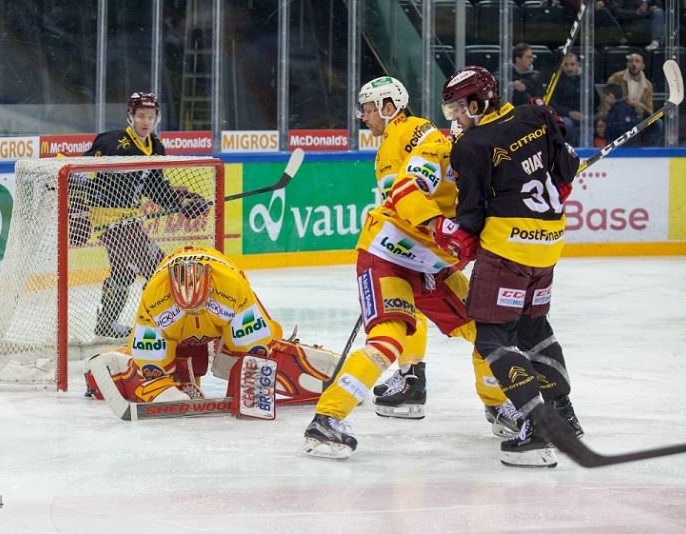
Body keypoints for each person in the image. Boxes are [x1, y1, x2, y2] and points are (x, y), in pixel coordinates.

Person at [296, 78, 522, 461]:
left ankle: (498, 405)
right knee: (388, 339)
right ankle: (327, 419)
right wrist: (442, 227)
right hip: (389, 254)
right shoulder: (437, 143)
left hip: (431, 265)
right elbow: (403, 191)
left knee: (489, 328)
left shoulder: (491, 170)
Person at [354, 76, 519, 433]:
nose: (363, 117)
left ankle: (413, 381)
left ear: (388, 107)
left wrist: (393, 247)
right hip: (439, 245)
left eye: (368, 109)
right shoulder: (418, 128)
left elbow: (403, 198)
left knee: (413, 309)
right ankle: (488, 398)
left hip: (427, 247)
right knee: (468, 321)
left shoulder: (397, 139)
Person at [439, 65, 584, 468]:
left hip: (507, 251)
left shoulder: (471, 145)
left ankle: (538, 431)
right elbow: (567, 170)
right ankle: (564, 416)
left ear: (476, 104)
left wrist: (455, 235)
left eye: (457, 109)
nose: (455, 118)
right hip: (548, 246)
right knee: (534, 329)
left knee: (493, 340)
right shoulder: (535, 115)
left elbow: (470, 216)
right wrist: (555, 127)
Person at [83, 245, 341, 404]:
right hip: (178, 331)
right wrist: (160, 387)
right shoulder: (154, 296)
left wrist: (251, 374)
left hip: (224, 316)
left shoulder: (232, 287)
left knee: (262, 351)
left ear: (210, 287)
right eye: (186, 307)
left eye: (199, 305)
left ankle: (336, 375)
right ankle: (110, 364)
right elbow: (150, 358)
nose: (194, 311)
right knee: (156, 370)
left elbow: (255, 347)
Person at [82, 92, 209, 338]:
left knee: (123, 271)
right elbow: (77, 172)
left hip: (132, 218)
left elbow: (155, 186)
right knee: (158, 267)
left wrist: (180, 201)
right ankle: (157, 323)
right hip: (108, 221)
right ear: (130, 116)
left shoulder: (156, 147)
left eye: (151, 117)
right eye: (141, 116)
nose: (146, 122)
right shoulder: (111, 142)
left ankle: (106, 323)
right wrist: (77, 210)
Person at [606, 52, 662, 146]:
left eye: (637, 61)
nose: (634, 64)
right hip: (620, 114)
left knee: (658, 123)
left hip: (638, 117)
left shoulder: (648, 85)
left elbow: (650, 110)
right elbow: (606, 98)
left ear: (642, 66)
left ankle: (652, 150)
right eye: (631, 61)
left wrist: (642, 108)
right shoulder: (616, 78)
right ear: (627, 64)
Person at [550, 52, 584, 146]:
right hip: (565, 115)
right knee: (566, 123)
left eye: (572, 64)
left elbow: (595, 100)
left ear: (578, 64)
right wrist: (569, 112)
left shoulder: (585, 79)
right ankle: (573, 149)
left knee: (592, 123)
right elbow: (551, 104)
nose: (569, 68)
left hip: (583, 114)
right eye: (566, 65)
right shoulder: (555, 81)